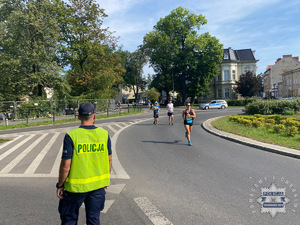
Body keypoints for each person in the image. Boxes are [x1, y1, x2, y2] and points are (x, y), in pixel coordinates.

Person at [56, 103, 112, 225]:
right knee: (93, 220)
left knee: (69, 220)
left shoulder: (71, 136)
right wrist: (105, 181)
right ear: (95, 116)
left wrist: (60, 185)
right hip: (98, 187)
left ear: (78, 117)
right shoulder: (104, 135)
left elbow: (66, 165)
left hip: (74, 189)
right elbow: (109, 160)